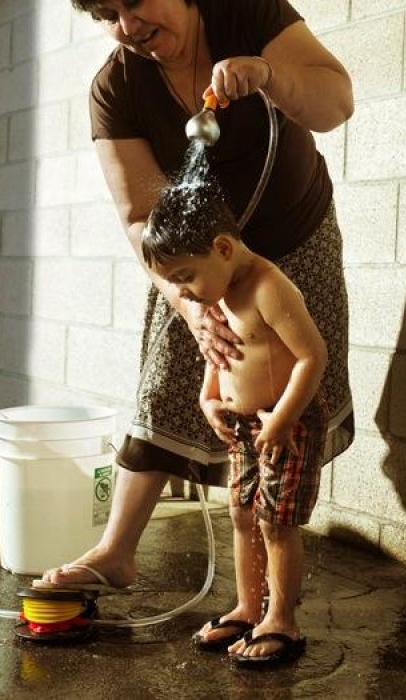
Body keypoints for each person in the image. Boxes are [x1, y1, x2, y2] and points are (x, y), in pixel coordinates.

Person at [42, 0, 355, 661]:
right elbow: (139, 214)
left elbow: (334, 104)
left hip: (292, 233)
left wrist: (269, 74)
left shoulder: (247, 12)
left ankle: (279, 610)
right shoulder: (118, 86)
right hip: (194, 256)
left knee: (283, 414)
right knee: (169, 377)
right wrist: (191, 304)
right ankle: (121, 553)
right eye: (105, 13)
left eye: (134, 2)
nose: (125, 26)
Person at [142, 177, 329, 664]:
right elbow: (219, 351)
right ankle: (249, 607)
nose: (184, 291)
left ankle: (282, 620)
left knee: (275, 522)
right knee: (242, 514)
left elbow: (313, 357)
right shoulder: (219, 287)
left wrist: (283, 420)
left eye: (185, 276)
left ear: (223, 248)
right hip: (247, 426)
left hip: (288, 425)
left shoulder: (269, 287)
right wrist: (209, 398)